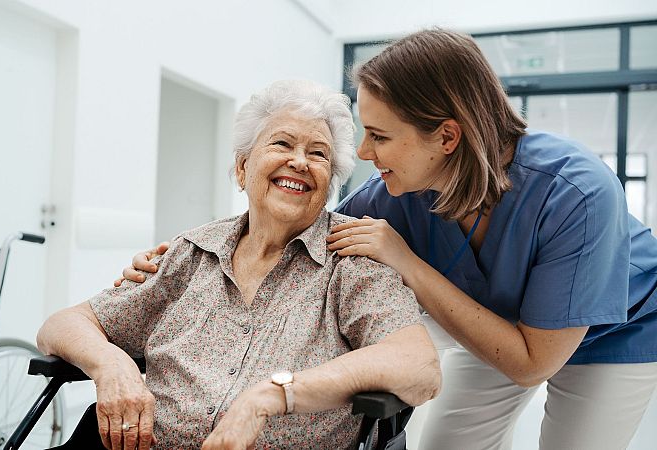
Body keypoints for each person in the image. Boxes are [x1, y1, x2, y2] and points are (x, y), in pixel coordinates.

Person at [123, 30, 657, 450]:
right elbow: (300, 223)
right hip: (495, 325)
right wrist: (187, 255)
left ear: (446, 136)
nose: (365, 155)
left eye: (379, 136)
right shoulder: (393, 193)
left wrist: (406, 262)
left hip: (613, 333)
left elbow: (531, 363)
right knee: (448, 445)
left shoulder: (577, 194)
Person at [40, 79, 441, 450]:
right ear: (242, 168)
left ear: (330, 181)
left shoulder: (351, 260)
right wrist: (111, 363)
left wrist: (271, 396)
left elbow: (418, 365)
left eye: (317, 153)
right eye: (282, 144)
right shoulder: (192, 252)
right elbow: (62, 325)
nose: (300, 162)